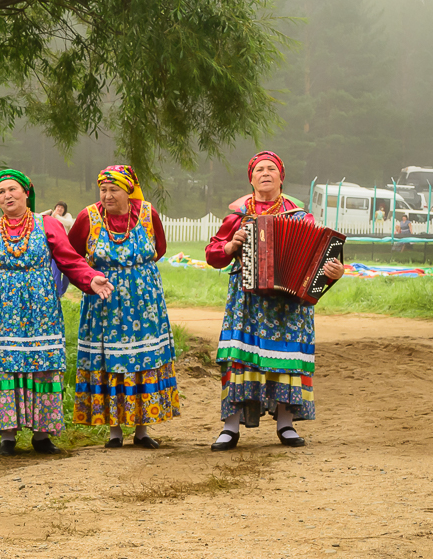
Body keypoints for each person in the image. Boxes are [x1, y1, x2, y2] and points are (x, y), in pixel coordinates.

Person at [0, 169, 112, 455]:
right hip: (3, 308)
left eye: (12, 190)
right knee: (6, 365)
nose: (7, 195)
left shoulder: (47, 225)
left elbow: (70, 260)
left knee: (42, 365)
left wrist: (90, 277)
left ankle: (42, 435)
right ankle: (7, 436)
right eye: (1, 192)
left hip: (41, 307)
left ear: (26, 193)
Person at [204, 151, 345, 450]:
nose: (265, 173)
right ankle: (231, 427)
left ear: (281, 177)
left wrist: (336, 272)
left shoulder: (301, 217)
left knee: (287, 358)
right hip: (246, 301)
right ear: (251, 178)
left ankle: (286, 424)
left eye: (271, 169)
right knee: (239, 357)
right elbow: (212, 255)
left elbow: (322, 263)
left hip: (289, 305)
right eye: (259, 170)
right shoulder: (237, 218)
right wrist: (230, 245)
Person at [69, 166, 180, 448]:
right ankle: (114, 431)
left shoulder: (147, 214)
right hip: (104, 303)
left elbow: (161, 248)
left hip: (144, 302)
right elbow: (71, 255)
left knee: (143, 359)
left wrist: (136, 277)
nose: (107, 196)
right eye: (103, 190)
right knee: (110, 361)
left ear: (128, 190)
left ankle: (142, 429)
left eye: (113, 190)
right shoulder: (88, 217)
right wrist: (94, 277)